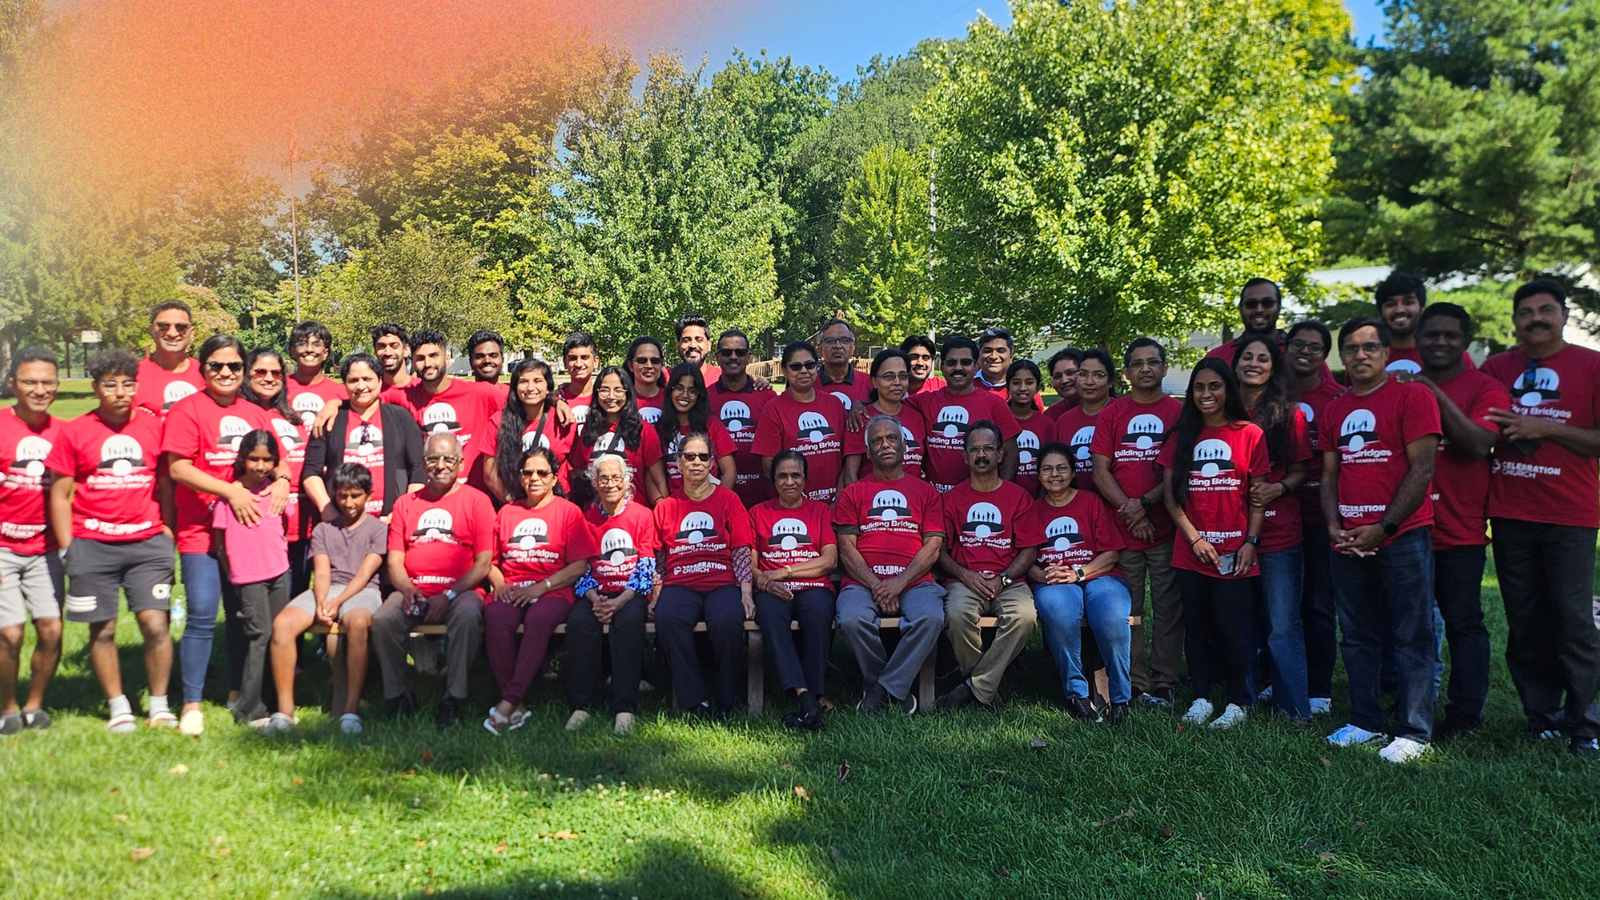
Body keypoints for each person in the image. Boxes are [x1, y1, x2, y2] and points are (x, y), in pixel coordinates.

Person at [1480, 278, 1600, 758]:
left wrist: (1542, 427)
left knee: (1573, 620)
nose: (1536, 318)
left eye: (1546, 309)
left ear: (1564, 315)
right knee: (1525, 620)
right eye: (1526, 312)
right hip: (1510, 510)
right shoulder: (1496, 368)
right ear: (1514, 320)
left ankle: (1585, 724)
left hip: (1571, 512)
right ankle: (1542, 717)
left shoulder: (1592, 366)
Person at [1321, 317, 1441, 763]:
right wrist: (1333, 525)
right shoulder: (1335, 408)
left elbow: (1422, 469)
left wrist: (1385, 526)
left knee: (1412, 634)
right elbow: (1329, 475)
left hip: (1402, 536)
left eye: (1370, 347)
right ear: (1342, 356)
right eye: (1351, 348)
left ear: (1387, 353)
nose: (1360, 355)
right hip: (1349, 539)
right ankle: (1365, 721)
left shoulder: (1413, 396)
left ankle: (1414, 732)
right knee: (1356, 635)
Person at [162, 334, 289, 735]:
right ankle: (192, 703)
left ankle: (238, 692)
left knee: (242, 618)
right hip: (201, 532)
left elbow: (280, 460)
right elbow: (178, 468)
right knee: (202, 614)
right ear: (202, 368)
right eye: (216, 365)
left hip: (248, 537)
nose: (225, 372)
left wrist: (283, 481)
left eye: (234, 365)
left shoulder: (255, 413)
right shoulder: (187, 409)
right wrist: (229, 491)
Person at [46, 349, 174, 733]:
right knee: (102, 629)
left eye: (128, 384)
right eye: (110, 385)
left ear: (137, 386)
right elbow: (59, 495)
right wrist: (69, 547)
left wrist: (168, 528)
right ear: (96, 387)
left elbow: (165, 484)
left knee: (155, 624)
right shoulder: (75, 431)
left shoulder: (153, 427)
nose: (120, 392)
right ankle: (118, 706)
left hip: (147, 543)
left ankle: (159, 704)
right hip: (92, 545)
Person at [1395, 302, 1506, 739]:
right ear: (1418, 339)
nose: (1440, 342)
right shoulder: (1400, 387)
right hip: (1406, 528)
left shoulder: (1484, 387)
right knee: (1410, 626)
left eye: (1450, 335)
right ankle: (1409, 701)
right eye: (1432, 334)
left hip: (1459, 530)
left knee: (1464, 624)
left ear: (1466, 341)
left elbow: (1479, 444)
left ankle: (1465, 713)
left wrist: (1432, 393)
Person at [1159, 359, 1268, 730]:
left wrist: (1251, 541)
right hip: (1192, 550)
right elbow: (1171, 497)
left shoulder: (1250, 434)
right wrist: (1195, 539)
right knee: (1196, 624)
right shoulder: (1180, 436)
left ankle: (1236, 702)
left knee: (1233, 627)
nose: (1206, 394)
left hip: (1236, 551)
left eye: (1214, 386)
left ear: (1228, 390)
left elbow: (1257, 496)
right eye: (1199, 387)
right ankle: (1202, 698)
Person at [372, 433, 494, 730]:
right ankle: (400, 695)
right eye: (433, 459)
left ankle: (453, 697)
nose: (440, 465)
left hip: (461, 591)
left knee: (467, 617)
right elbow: (395, 560)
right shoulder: (405, 504)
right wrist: (407, 589)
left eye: (448, 459)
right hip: (414, 589)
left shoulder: (478, 501)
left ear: (461, 464)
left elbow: (483, 563)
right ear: (423, 463)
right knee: (384, 620)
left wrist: (449, 595)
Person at [1089, 338, 1183, 706]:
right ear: (1126, 372)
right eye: (1138, 363)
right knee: (1130, 611)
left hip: (1167, 528)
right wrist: (1130, 511)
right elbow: (1100, 470)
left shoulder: (1179, 413)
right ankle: (1134, 680)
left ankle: (1164, 681)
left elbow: (1178, 472)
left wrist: (1143, 505)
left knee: (1168, 608)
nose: (1146, 368)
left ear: (1164, 367)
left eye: (1153, 362)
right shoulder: (1112, 413)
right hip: (1122, 530)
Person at [834, 415, 947, 715]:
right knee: (851, 619)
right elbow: (846, 549)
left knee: (930, 618)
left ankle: (881, 690)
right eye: (877, 440)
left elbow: (932, 547)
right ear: (868, 451)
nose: (885, 444)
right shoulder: (852, 493)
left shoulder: (926, 492)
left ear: (904, 445)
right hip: (862, 582)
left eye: (892, 438)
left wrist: (899, 582)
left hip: (916, 581)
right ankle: (889, 685)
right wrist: (877, 585)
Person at [483, 446, 597, 735]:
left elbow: (579, 565)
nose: (534, 478)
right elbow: (490, 562)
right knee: (495, 618)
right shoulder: (507, 512)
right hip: (512, 587)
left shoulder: (569, 512)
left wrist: (541, 587)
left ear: (554, 478)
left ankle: (507, 702)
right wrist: (500, 583)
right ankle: (517, 705)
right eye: (528, 472)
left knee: (538, 620)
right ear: (520, 477)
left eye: (542, 473)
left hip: (552, 589)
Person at [269, 462, 386, 735]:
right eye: (342, 495)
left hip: (363, 590)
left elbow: (364, 574)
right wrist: (322, 600)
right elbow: (321, 572)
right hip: (329, 589)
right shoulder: (323, 529)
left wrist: (338, 601)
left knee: (357, 622)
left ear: (369, 495)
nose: (348, 503)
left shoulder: (378, 529)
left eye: (355, 495)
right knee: (282, 624)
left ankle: (350, 709)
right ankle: (284, 711)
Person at [936, 421, 1043, 711]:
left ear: (1000, 454)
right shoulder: (951, 499)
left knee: (1024, 617)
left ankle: (971, 687)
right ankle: (986, 687)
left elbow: (1029, 549)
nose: (981, 455)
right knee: (957, 615)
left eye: (988, 449)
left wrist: (1004, 578)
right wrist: (965, 575)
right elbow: (940, 552)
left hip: (1009, 580)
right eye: (974, 450)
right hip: (964, 580)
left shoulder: (1018, 497)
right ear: (965, 456)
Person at [1234, 335, 1312, 722]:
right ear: (1235, 365)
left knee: (1282, 626)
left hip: (1279, 535)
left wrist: (1277, 488)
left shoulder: (1290, 414)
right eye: (1246, 356)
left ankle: (1294, 709)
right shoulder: (1221, 411)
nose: (1253, 363)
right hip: (1231, 536)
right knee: (1241, 624)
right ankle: (1242, 701)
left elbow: (1300, 470)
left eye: (1262, 358)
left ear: (1273, 366)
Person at [651, 432, 755, 717]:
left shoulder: (729, 500)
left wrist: (746, 592)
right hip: (679, 582)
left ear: (712, 463)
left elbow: (741, 549)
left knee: (728, 619)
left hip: (721, 581)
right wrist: (656, 593)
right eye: (689, 456)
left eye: (703, 456)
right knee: (668, 617)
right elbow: (659, 558)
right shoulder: (666, 507)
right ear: (678, 463)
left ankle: (727, 697)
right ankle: (694, 699)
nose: (696, 462)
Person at [1031, 442, 1132, 722]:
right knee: (1059, 612)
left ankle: (1120, 697)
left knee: (1112, 616)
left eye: (1061, 468)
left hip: (1099, 575)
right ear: (1038, 474)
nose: (1054, 474)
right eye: (1047, 469)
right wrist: (1044, 576)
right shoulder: (1032, 509)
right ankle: (1078, 694)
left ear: (1074, 472)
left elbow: (1111, 553)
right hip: (1053, 581)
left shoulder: (1091, 502)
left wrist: (1079, 573)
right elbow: (1025, 559)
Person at [567, 454, 658, 735]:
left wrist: (619, 601)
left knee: (629, 624)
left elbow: (646, 566)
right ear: (595, 483)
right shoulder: (585, 519)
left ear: (627, 481)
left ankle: (624, 708)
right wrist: (595, 599)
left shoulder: (643, 515)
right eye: (603, 478)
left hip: (630, 592)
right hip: (596, 593)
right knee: (579, 623)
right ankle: (581, 706)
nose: (610, 484)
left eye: (616, 478)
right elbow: (580, 567)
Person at [750, 449, 839, 731]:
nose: (789, 482)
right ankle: (805, 695)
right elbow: (749, 565)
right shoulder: (757, 513)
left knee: (818, 613)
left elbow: (829, 560)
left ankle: (813, 691)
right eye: (782, 476)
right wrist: (766, 581)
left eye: (796, 475)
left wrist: (784, 572)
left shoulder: (820, 511)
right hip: (771, 588)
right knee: (770, 615)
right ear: (773, 479)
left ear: (805, 478)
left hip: (813, 585)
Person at [209, 430, 291, 728]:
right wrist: (235, 575)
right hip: (248, 578)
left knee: (278, 636)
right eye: (254, 459)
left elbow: (282, 527)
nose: (260, 466)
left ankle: (274, 702)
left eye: (267, 460)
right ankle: (249, 709)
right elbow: (220, 546)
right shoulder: (229, 498)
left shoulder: (276, 493)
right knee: (259, 637)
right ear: (243, 459)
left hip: (279, 573)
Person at [0, 348, 63, 732]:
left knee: (52, 630)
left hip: (46, 550)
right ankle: (7, 707)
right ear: (13, 385)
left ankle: (34, 705)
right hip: (2, 548)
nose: (39, 390)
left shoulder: (64, 432)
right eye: (29, 382)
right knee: (10, 632)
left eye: (47, 382)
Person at [1286, 319, 1341, 714]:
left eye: (1314, 347)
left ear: (1324, 354)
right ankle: (1278, 678)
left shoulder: (1337, 398)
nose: (1305, 352)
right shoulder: (1273, 394)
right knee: (1282, 605)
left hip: (1322, 516)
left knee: (1319, 603)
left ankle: (1319, 687)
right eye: (1298, 344)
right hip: (1280, 515)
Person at [302, 353, 425, 522]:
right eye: (353, 380)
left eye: (367, 379)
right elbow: (311, 470)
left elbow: (419, 469)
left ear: (380, 381)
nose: (361, 386)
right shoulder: (329, 420)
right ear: (345, 384)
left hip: (391, 522)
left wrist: (403, 511)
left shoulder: (400, 418)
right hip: (341, 523)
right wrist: (327, 509)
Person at [381, 328, 502, 490]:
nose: (428, 363)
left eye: (433, 356)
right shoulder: (401, 397)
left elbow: (525, 408)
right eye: (420, 358)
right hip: (426, 494)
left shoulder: (482, 393)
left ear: (447, 358)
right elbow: (361, 405)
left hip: (473, 494)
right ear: (413, 362)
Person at [912, 337, 1020, 493]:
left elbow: (1012, 453)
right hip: (936, 497)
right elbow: (888, 404)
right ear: (942, 367)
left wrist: (1000, 493)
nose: (958, 368)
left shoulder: (994, 404)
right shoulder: (923, 402)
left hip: (979, 496)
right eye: (951, 362)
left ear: (976, 367)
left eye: (965, 362)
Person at [752, 342, 847, 503]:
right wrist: (798, 503)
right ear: (784, 370)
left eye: (810, 365)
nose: (804, 371)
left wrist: (837, 499)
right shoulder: (774, 409)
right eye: (796, 367)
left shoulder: (835, 404)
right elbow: (769, 467)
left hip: (835, 503)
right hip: (795, 505)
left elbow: (847, 459)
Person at [565, 366, 668, 505]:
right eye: (604, 390)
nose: (611, 396)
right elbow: (578, 472)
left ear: (628, 393)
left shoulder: (644, 430)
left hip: (635, 512)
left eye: (618, 390)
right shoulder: (589, 430)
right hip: (595, 514)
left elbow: (658, 480)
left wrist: (663, 510)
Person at [483, 358, 576, 502]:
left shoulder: (563, 420)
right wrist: (513, 503)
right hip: (515, 504)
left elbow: (576, 468)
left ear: (548, 387)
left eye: (537, 381)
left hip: (557, 502)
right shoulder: (499, 421)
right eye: (523, 381)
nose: (530, 388)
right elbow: (490, 473)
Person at [709, 329, 778, 506]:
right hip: (718, 494)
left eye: (739, 352)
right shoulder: (705, 398)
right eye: (727, 352)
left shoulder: (767, 395)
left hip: (763, 497)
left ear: (748, 357)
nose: (733, 357)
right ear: (717, 357)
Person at [843, 349, 929, 486]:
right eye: (889, 376)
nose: (897, 382)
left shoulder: (917, 416)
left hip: (912, 496)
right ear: (874, 381)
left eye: (903, 376)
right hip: (872, 496)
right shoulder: (860, 417)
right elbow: (850, 474)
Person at [658, 363, 738, 492]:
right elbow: (656, 477)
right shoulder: (661, 427)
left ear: (699, 395)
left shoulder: (711, 425)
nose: (684, 395)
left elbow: (730, 472)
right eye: (679, 388)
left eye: (692, 391)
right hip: (674, 502)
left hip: (709, 500)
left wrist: (718, 501)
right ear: (670, 390)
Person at [1373, 273, 1475, 374]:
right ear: (1380, 312)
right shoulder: (1369, 355)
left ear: (1422, 309)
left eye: (1408, 302)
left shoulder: (1453, 354)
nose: (1399, 310)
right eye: (1390, 304)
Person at [1055, 349, 1116, 492]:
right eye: (1083, 375)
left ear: (1111, 381)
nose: (1089, 382)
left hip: (1120, 501)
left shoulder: (1122, 413)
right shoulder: (1064, 421)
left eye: (1098, 375)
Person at [134, 299, 205, 417]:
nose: (172, 333)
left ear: (192, 333)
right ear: (151, 330)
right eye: (163, 326)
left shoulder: (207, 375)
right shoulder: (132, 375)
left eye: (181, 327)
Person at [285, 320, 347, 428]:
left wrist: (339, 402)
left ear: (325, 353)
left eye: (316, 344)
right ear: (292, 351)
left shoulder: (342, 393)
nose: (309, 349)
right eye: (302, 343)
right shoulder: (279, 388)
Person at [976, 327, 1044, 412]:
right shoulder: (967, 386)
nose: (993, 356)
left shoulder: (1027, 391)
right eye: (988, 351)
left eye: (1001, 351)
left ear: (1011, 357)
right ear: (979, 356)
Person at [1006, 359, 1047, 496]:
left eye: (1029, 382)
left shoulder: (1047, 424)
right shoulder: (999, 420)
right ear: (1008, 387)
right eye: (1016, 383)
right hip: (1006, 496)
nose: (1023, 388)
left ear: (1037, 387)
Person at [816, 318, 871, 411]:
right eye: (830, 340)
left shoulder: (869, 384)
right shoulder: (808, 384)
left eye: (844, 340)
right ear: (820, 348)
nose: (838, 346)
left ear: (852, 348)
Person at [557, 331, 599, 425]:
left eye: (584, 357)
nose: (579, 364)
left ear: (595, 362)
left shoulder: (604, 398)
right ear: (565, 362)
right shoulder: (556, 399)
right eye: (573, 358)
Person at [626, 336, 668, 424]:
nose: (649, 366)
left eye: (655, 361)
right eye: (642, 360)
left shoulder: (671, 399)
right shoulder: (622, 399)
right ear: (630, 365)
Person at [675, 315, 722, 383]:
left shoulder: (722, 379)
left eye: (699, 340)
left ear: (709, 345)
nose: (693, 345)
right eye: (686, 340)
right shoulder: (665, 379)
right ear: (677, 345)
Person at [371, 323, 415, 390]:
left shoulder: (423, 389)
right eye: (381, 346)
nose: (388, 353)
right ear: (375, 351)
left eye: (394, 346)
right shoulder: (369, 391)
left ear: (406, 350)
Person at [1043, 348, 1083, 421]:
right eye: (1058, 376)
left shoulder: (1103, 408)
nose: (1064, 381)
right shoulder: (1051, 415)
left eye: (1070, 373)